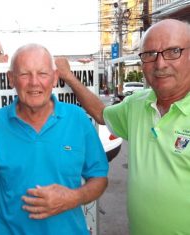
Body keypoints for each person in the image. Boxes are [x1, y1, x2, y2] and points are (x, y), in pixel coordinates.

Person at [55, 19, 190, 235]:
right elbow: (101, 113)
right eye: (150, 54)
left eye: (173, 51)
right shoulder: (137, 105)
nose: (160, 63)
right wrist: (69, 77)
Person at [0, 43, 108, 235]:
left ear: (54, 78)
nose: (34, 82)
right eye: (25, 74)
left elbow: (100, 178)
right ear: (11, 79)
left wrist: (73, 198)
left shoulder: (77, 119)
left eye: (42, 74)